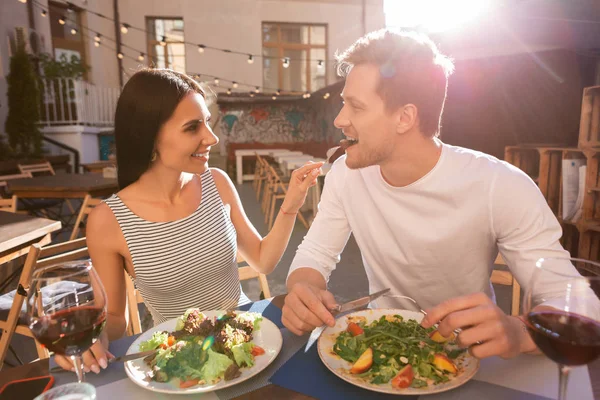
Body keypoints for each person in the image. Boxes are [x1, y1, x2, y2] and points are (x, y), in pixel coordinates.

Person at [282, 29, 579, 360]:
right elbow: (316, 253)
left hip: (470, 353)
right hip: (383, 343)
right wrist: (302, 289)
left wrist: (520, 332)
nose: (340, 120)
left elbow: (576, 303)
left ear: (405, 117)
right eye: (343, 104)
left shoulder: (500, 185)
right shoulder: (345, 175)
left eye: (355, 106)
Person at [54, 68, 323, 373]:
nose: (211, 137)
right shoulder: (107, 220)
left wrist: (290, 206)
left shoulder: (217, 183)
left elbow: (263, 260)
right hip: (180, 365)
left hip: (250, 346)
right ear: (149, 137)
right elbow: (116, 318)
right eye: (193, 127)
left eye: (207, 122)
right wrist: (89, 339)